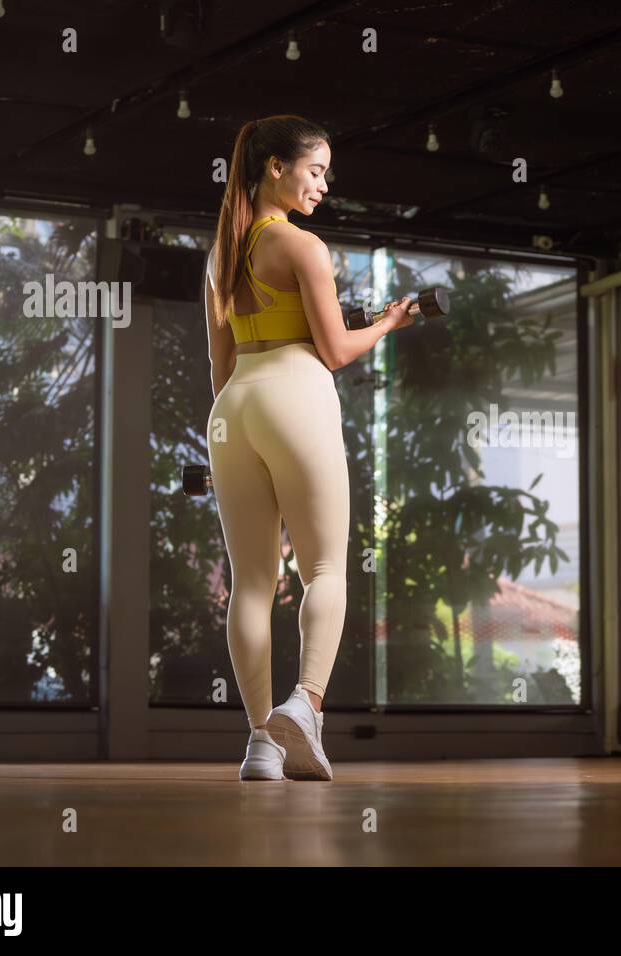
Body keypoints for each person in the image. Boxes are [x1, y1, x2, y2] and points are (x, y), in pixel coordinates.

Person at [203, 115, 413, 780]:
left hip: (233, 406)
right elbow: (334, 350)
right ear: (275, 167)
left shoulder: (220, 255)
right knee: (325, 570)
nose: (324, 184)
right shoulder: (302, 248)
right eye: (315, 170)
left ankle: (261, 744)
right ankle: (307, 706)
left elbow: (220, 364)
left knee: (253, 583)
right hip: (297, 392)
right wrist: (388, 321)